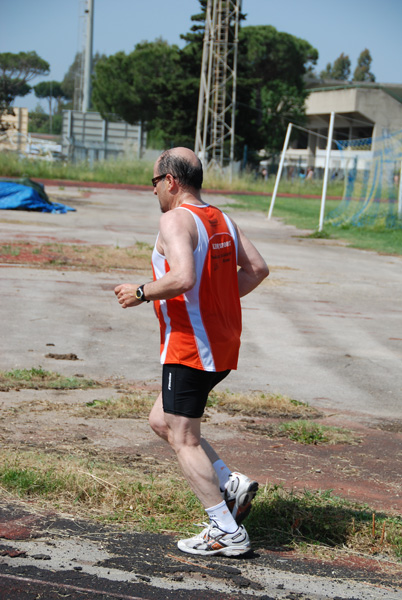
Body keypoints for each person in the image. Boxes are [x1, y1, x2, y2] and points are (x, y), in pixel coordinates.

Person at [115, 147, 269, 557]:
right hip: (220, 344)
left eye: (153, 183)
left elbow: (182, 277)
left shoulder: (175, 220)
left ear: (170, 181)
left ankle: (226, 531)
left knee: (183, 437)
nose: (153, 193)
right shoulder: (221, 218)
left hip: (190, 348)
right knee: (160, 420)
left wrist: (141, 292)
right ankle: (230, 484)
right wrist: (214, 300)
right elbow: (257, 269)